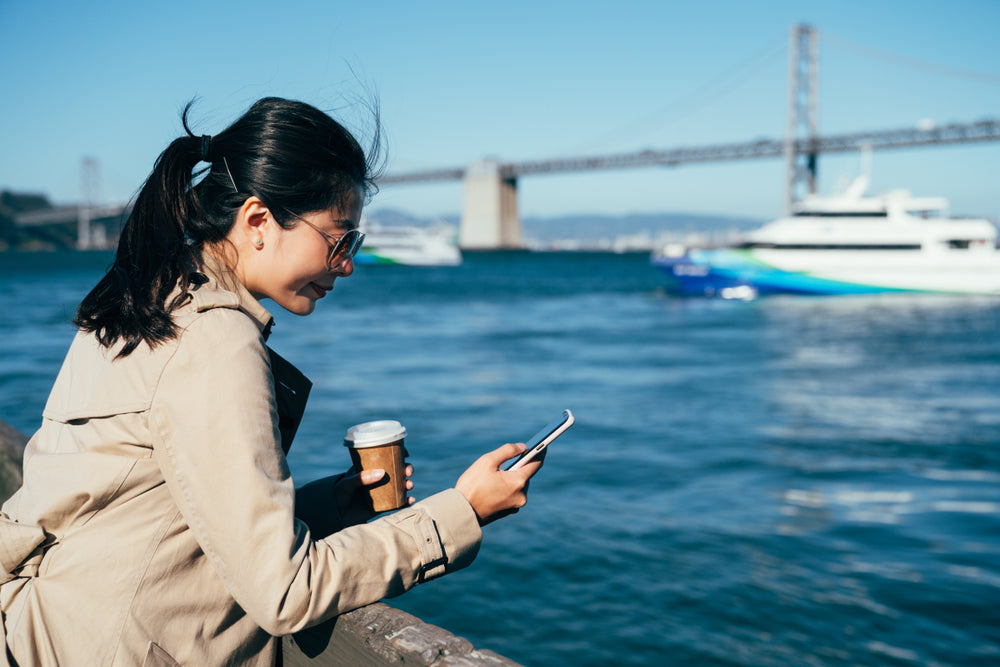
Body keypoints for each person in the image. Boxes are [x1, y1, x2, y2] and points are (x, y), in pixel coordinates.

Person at [0, 97, 541, 666]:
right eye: (339, 239)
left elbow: (164, 513)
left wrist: (334, 504)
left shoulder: (147, 298)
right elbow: (284, 591)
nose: (348, 264)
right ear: (259, 221)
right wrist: (460, 513)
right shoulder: (216, 342)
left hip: (49, 632)